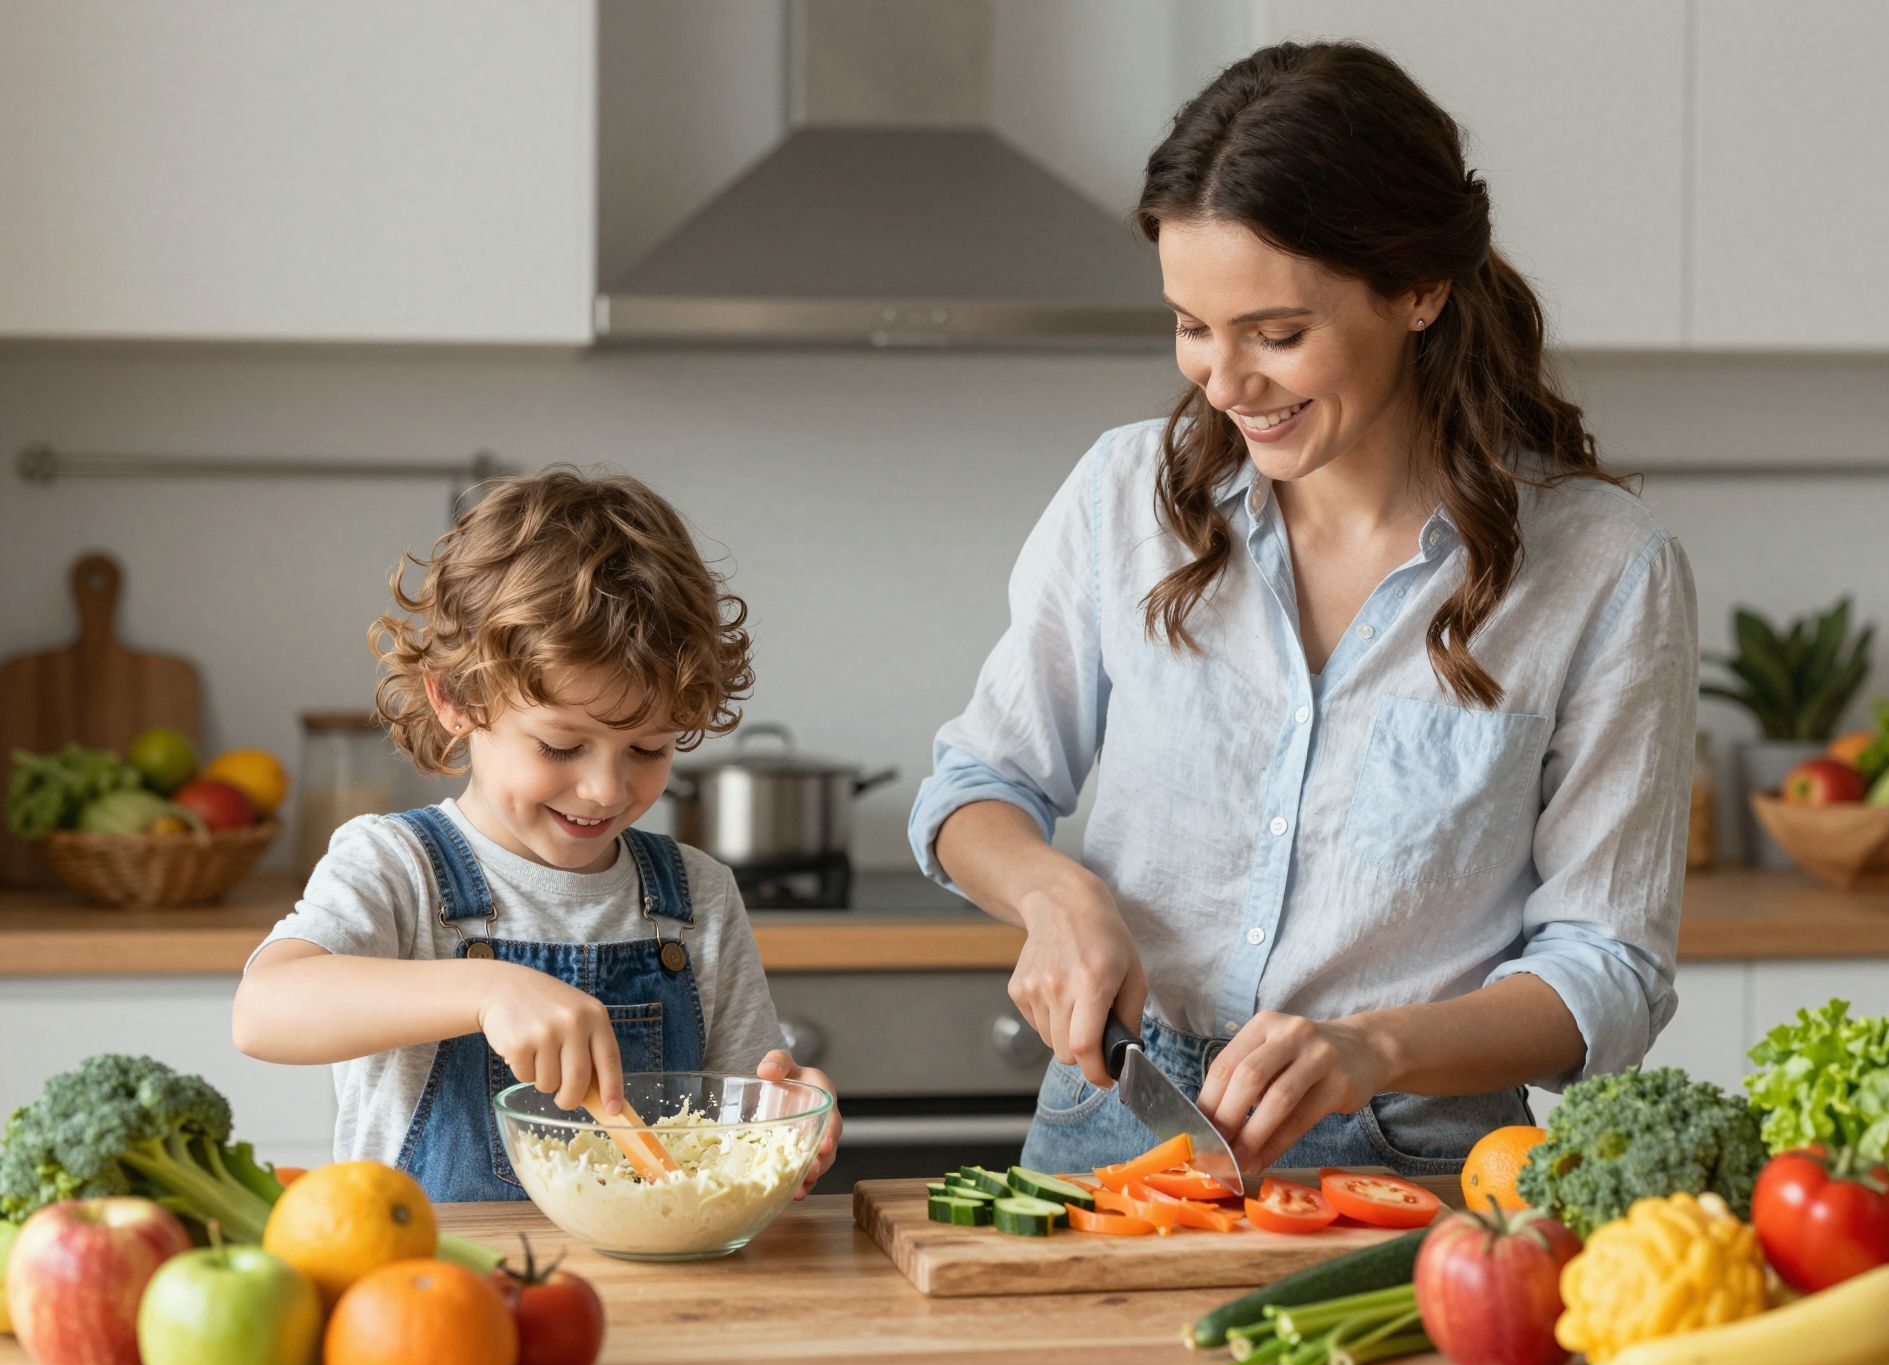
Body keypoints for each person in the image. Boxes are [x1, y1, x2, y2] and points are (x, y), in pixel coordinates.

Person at [911, 41, 1698, 1180]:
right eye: (1190, 325)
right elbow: (974, 788)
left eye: (1276, 335)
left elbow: (1608, 968)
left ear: (1418, 289)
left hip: (1417, 1161)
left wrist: (1372, 1047)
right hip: (1113, 1127)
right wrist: (1052, 892)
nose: (1223, 383)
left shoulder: (1605, 571)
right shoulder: (1124, 496)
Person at [234, 469, 839, 1202]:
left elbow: (743, 1100)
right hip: (442, 1296)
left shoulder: (697, 896)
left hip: (656, 1298)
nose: (607, 789)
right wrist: (487, 989)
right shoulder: (398, 868)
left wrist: (788, 1115)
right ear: (457, 699)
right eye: (560, 747)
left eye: (649, 750)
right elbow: (265, 1011)